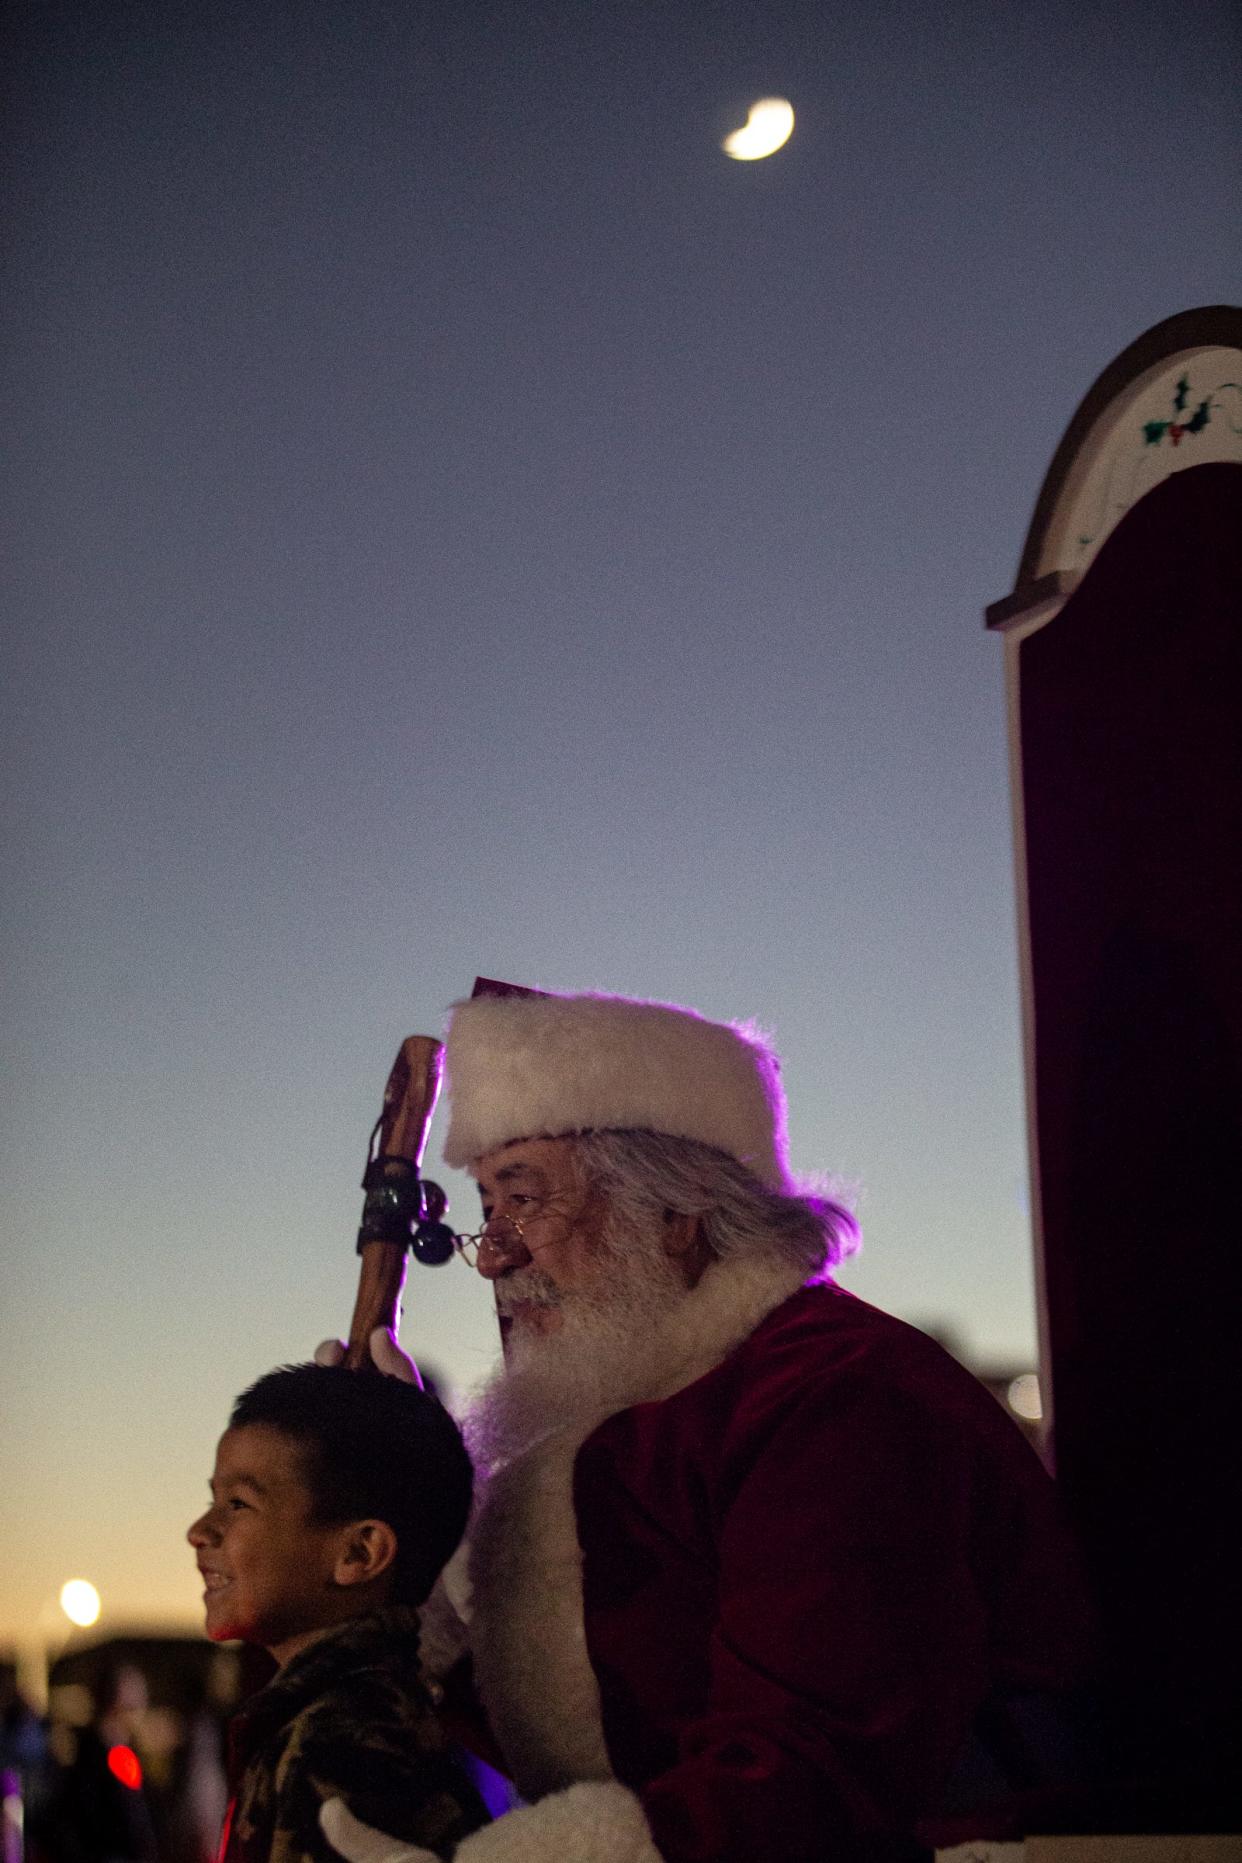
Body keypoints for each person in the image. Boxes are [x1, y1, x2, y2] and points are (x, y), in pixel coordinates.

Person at [320, 990, 1093, 1863]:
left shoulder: (839, 1401)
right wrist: (423, 1550)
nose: (494, 1254)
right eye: (487, 1210)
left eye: (526, 1201)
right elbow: (587, 1752)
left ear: (675, 1213)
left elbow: (809, 1780)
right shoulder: (628, 1410)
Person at [187, 1362, 488, 1862]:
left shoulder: (348, 1751)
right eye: (213, 1499)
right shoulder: (315, 1718)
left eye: (238, 1504)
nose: (199, 1530)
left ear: (359, 1554)